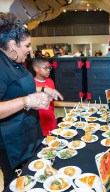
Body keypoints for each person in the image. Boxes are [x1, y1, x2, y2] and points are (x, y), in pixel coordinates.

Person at [0, 13, 62, 188]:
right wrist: (26, 101)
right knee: (17, 184)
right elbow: (21, 97)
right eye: (26, 45)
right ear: (13, 45)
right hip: (11, 143)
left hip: (30, 133)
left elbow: (19, 87)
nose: (29, 49)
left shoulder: (17, 61)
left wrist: (43, 89)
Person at [32, 57, 63, 136]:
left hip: (51, 120)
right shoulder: (31, 84)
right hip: (40, 124)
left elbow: (51, 101)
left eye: (49, 67)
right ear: (36, 69)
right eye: (45, 68)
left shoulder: (50, 81)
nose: (49, 70)